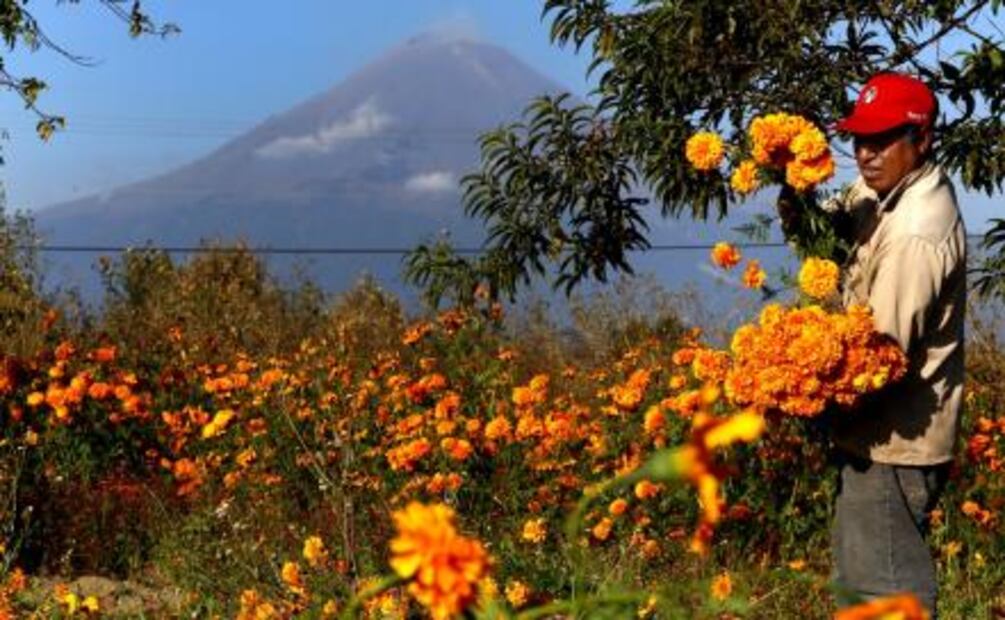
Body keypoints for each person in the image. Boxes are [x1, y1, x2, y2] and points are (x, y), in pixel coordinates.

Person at [785, 72, 967, 614]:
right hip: (871, 433)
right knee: (859, 589)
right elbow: (836, 227)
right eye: (860, 139)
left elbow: (878, 355)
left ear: (923, 139)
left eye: (882, 138)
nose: (866, 153)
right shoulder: (887, 187)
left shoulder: (916, 230)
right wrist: (798, 203)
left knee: (886, 596)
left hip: (894, 445)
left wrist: (802, 391)